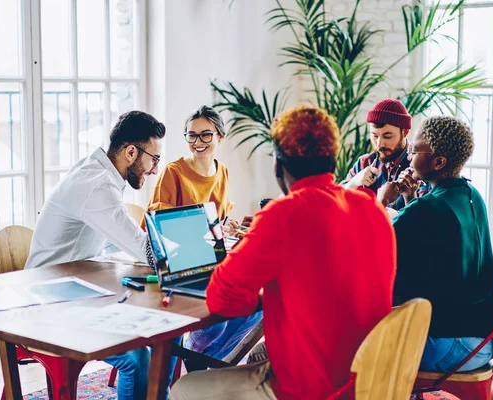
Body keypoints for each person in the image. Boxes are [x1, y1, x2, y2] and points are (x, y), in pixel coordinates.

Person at [170, 105, 397, 400]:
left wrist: (257, 258)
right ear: (333, 159)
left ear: (279, 165)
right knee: (257, 359)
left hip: (313, 387)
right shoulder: (373, 209)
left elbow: (220, 298)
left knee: (184, 388)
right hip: (369, 376)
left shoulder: (283, 214)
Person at [24, 110, 167, 400]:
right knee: (138, 358)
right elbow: (144, 250)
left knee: (166, 337)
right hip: (48, 305)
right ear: (130, 152)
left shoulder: (98, 172)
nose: (154, 170)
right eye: (154, 159)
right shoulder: (96, 184)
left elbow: (111, 243)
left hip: (75, 290)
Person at [146, 105, 262, 372]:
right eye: (192, 135)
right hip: (177, 262)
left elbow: (216, 221)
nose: (198, 142)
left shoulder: (222, 172)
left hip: (210, 258)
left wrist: (225, 226)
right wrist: (210, 229)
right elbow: (158, 226)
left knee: (256, 302)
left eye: (206, 135)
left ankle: (209, 356)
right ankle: (197, 356)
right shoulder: (173, 172)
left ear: (220, 137)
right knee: (220, 305)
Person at [392, 116, 493, 372]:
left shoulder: (428, 208)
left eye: (414, 150)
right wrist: (410, 198)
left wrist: (380, 199)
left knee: (359, 345)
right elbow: (429, 234)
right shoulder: (471, 194)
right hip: (483, 340)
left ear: (438, 162)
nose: (409, 157)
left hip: (452, 347)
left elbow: (376, 243)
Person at [341, 98, 431, 209]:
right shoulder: (364, 162)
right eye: (374, 136)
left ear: (405, 132)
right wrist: (353, 183)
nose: (379, 145)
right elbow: (337, 202)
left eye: (387, 137)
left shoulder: (420, 165)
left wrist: (410, 196)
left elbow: (426, 219)